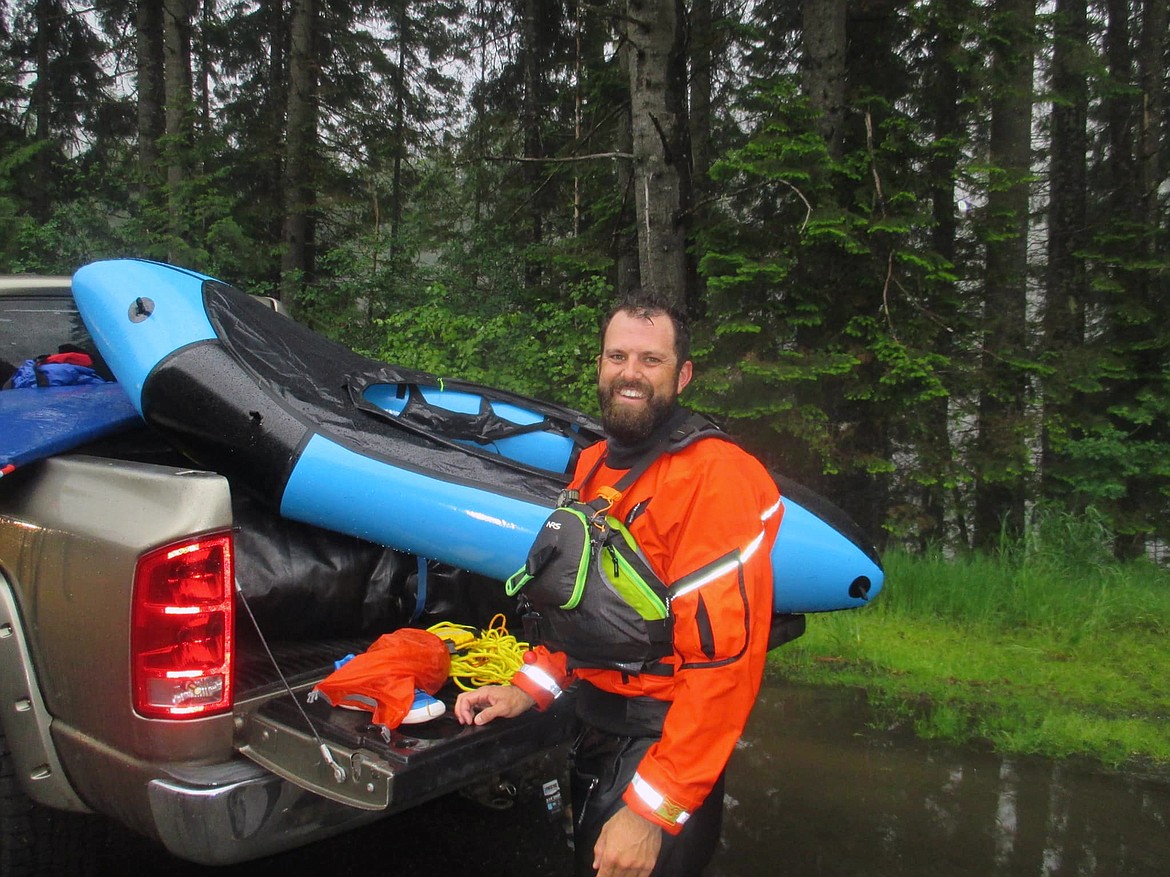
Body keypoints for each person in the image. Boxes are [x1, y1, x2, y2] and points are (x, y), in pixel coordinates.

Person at [454, 290, 782, 877]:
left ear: (682, 375)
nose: (630, 374)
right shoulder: (595, 464)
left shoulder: (718, 478)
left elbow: (723, 668)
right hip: (597, 728)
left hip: (658, 747)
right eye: (616, 357)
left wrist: (651, 814)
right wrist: (528, 689)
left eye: (650, 360)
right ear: (601, 366)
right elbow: (580, 608)